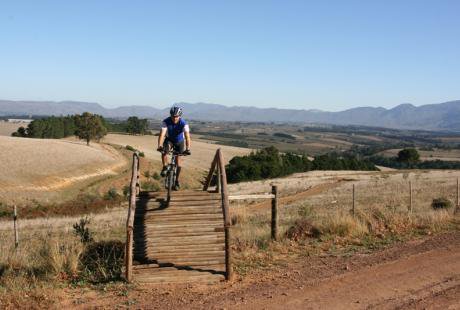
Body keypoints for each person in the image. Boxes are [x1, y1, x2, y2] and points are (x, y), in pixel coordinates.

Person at [157, 106, 191, 190]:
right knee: (164, 151)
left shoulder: (184, 123)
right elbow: (162, 134)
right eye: (173, 116)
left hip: (179, 141)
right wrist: (160, 146)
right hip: (169, 140)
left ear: (179, 116)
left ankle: (176, 181)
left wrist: (188, 149)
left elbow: (187, 136)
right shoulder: (166, 121)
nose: (174, 118)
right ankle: (165, 167)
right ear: (170, 115)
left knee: (178, 162)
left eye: (176, 116)